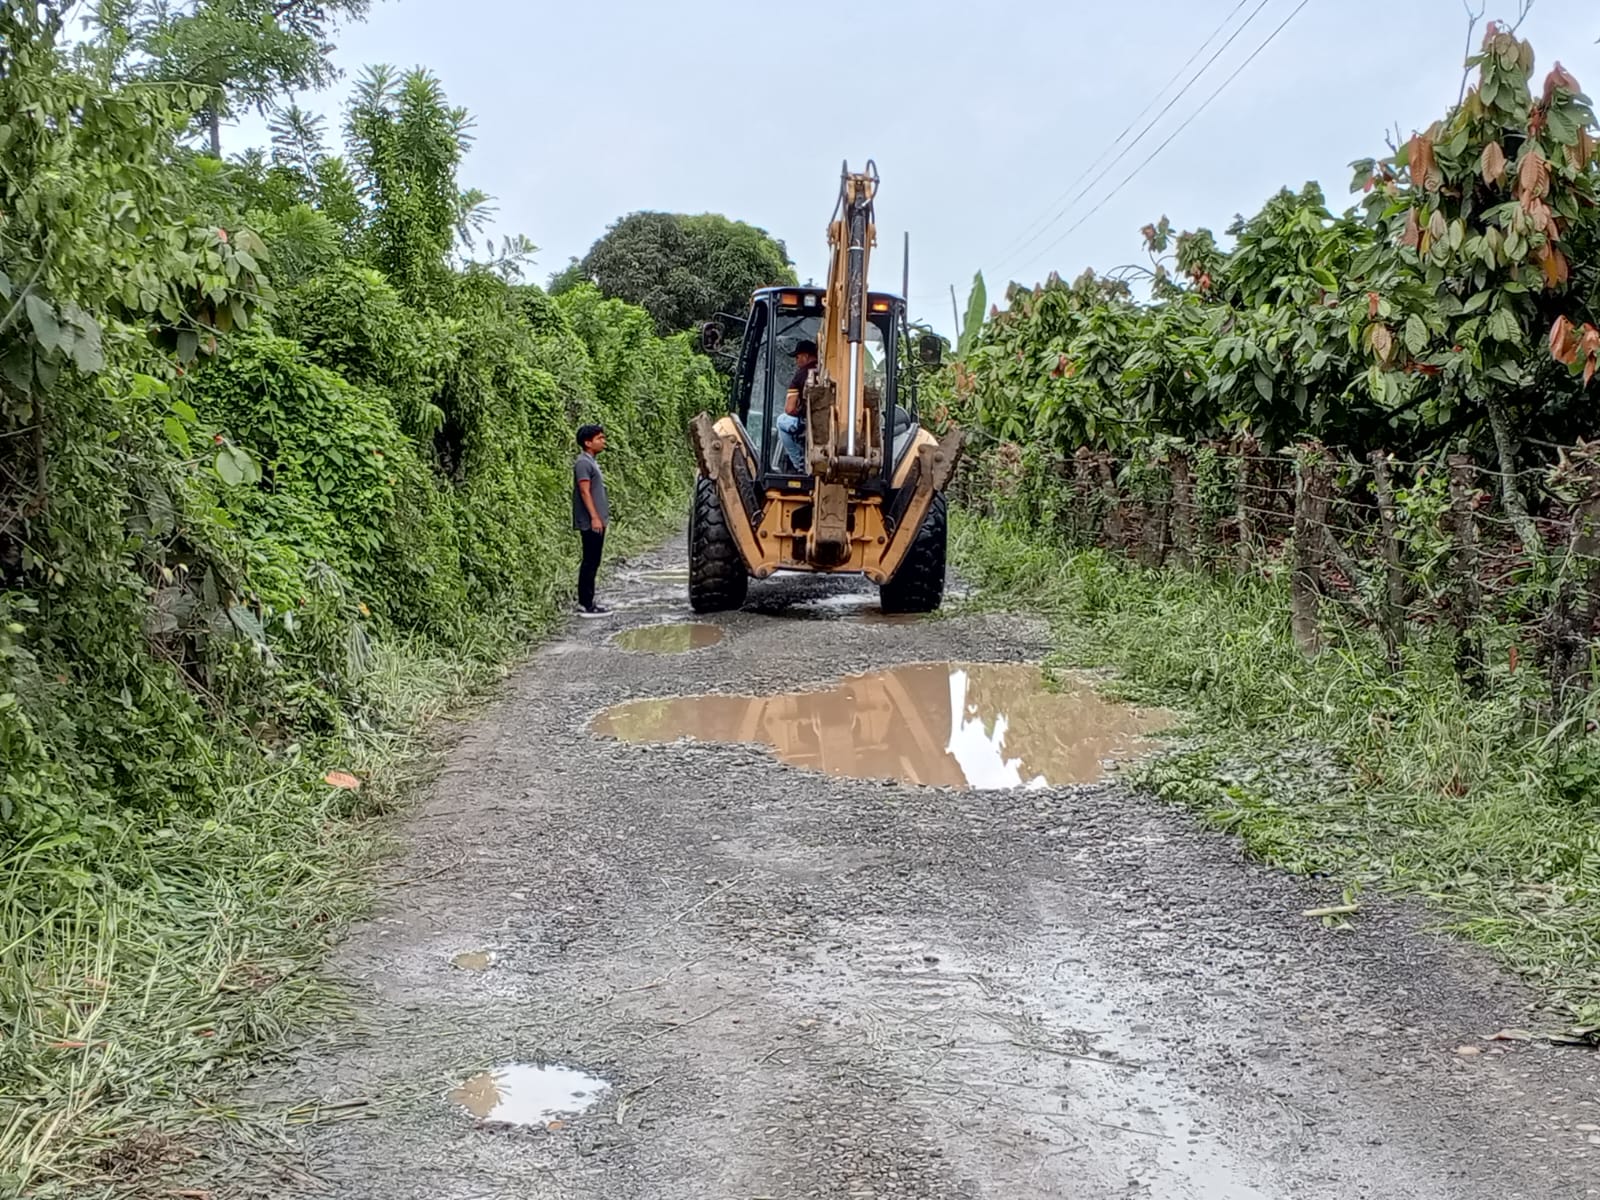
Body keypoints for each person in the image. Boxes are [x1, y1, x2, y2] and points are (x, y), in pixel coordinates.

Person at [572, 423, 610, 617]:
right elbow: (584, 491)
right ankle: (585, 603)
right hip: (590, 522)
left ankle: (589, 601)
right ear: (588, 442)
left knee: (594, 561)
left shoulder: (591, 462)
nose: (603, 441)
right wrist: (594, 517)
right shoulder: (583, 463)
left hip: (597, 520)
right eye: (599, 438)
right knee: (590, 561)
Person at [775, 338, 817, 473]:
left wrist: (799, 412)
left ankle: (799, 463)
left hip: (806, 423)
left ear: (806, 356)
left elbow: (789, 409)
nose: (796, 361)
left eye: (797, 357)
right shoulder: (827, 370)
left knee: (781, 421)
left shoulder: (801, 374)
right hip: (824, 424)